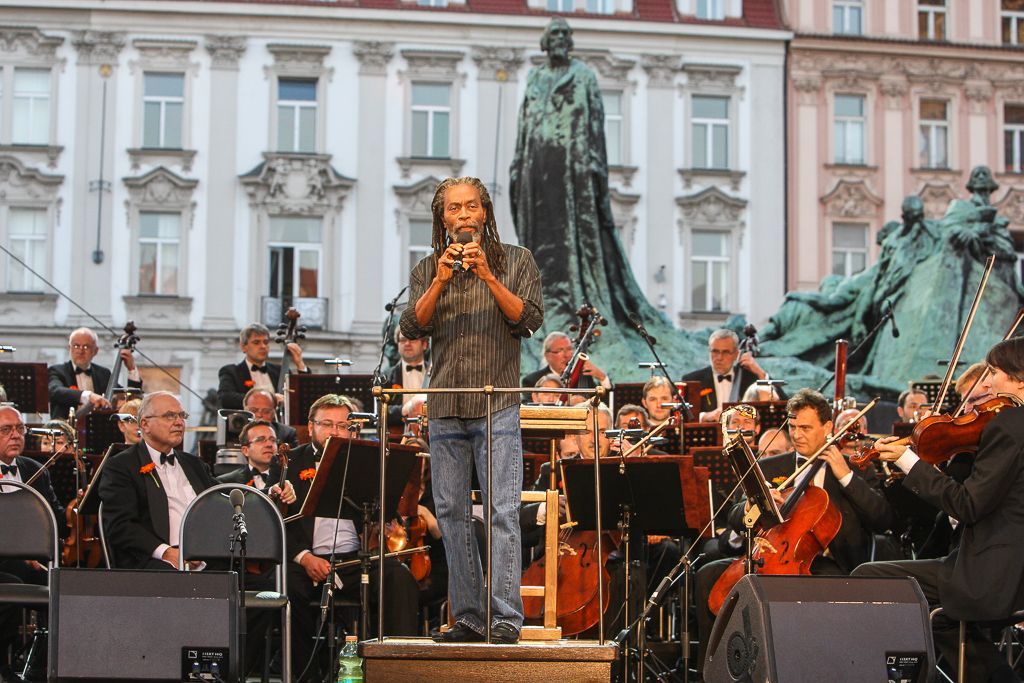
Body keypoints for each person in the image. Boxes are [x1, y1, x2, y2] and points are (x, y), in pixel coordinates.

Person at [400, 176, 543, 645]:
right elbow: (413, 326)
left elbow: (527, 320)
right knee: (452, 512)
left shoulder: (515, 260)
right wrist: (441, 280)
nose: (463, 216)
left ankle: (504, 618)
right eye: (454, 209)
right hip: (445, 403)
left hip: (496, 402)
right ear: (443, 219)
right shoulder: (427, 269)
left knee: (502, 511)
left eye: (471, 207)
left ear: (485, 213)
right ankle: (468, 616)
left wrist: (486, 275)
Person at [853, 338, 1024, 682]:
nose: (987, 382)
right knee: (942, 617)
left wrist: (907, 460)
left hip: (992, 573)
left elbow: (968, 504)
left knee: (865, 577)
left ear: (1020, 379)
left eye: (995, 373)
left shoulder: (1008, 426)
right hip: (1014, 570)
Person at [693, 389, 893, 667]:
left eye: (806, 428)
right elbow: (735, 516)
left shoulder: (854, 469)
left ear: (827, 428)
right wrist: (758, 503)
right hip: (772, 556)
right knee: (707, 576)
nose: (797, 434)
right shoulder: (770, 466)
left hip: (829, 564)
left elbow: (882, 518)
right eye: (793, 427)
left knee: (817, 586)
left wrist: (845, 476)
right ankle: (713, 668)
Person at [284, 394, 419, 680]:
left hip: (357, 559)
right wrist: (305, 558)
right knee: (289, 588)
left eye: (342, 425)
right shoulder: (290, 461)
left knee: (399, 577)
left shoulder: (363, 458)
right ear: (310, 427)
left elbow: (383, 507)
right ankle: (301, 675)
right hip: (306, 560)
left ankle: (399, 670)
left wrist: (387, 524)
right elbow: (277, 521)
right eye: (327, 424)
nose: (335, 432)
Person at [98, 391, 217, 570]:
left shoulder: (194, 464)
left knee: (249, 574)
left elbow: (221, 498)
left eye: (181, 416)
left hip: (205, 556)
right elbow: (120, 525)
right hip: (154, 560)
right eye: (170, 416)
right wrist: (167, 553)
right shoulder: (121, 466)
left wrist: (268, 493)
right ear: (145, 424)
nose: (179, 422)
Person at [0, 407, 65, 678]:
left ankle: (40, 665)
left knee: (68, 589)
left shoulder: (34, 469)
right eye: (6, 430)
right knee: (12, 584)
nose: (16, 435)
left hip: (34, 561)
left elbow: (54, 518)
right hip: (4, 562)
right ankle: (4, 666)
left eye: (20, 429)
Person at [48, 327, 143, 418]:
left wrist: (131, 369)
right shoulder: (57, 371)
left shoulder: (103, 374)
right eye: (76, 346)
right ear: (69, 348)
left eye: (86, 347)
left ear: (95, 351)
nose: (80, 351)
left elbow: (128, 397)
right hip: (65, 431)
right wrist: (88, 396)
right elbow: (54, 391)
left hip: (95, 430)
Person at [682, 329, 769, 423]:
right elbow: (682, 416)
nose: (719, 357)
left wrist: (760, 372)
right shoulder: (692, 380)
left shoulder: (749, 379)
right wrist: (704, 416)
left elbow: (781, 401)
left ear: (736, 354)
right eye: (715, 351)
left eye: (726, 352)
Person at [218, 323, 309, 410]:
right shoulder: (231, 371)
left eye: (266, 342)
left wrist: (300, 363)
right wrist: (270, 398)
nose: (263, 346)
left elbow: (305, 395)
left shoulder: (280, 371)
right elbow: (226, 398)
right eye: (256, 342)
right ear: (243, 347)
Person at [217, 420, 296, 502]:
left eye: (273, 440)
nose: (269, 444)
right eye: (260, 440)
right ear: (245, 450)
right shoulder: (226, 482)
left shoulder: (291, 478)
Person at [521, 331, 609, 391]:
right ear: (547, 355)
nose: (567, 355)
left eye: (569, 349)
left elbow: (604, 404)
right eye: (560, 351)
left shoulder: (584, 377)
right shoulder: (531, 381)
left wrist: (602, 377)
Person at [388, 329, 430, 425]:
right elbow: (381, 411)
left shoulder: (435, 373)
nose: (407, 343)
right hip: (399, 433)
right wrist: (405, 408)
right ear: (397, 345)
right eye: (402, 340)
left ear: (425, 344)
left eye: (412, 339)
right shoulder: (386, 376)